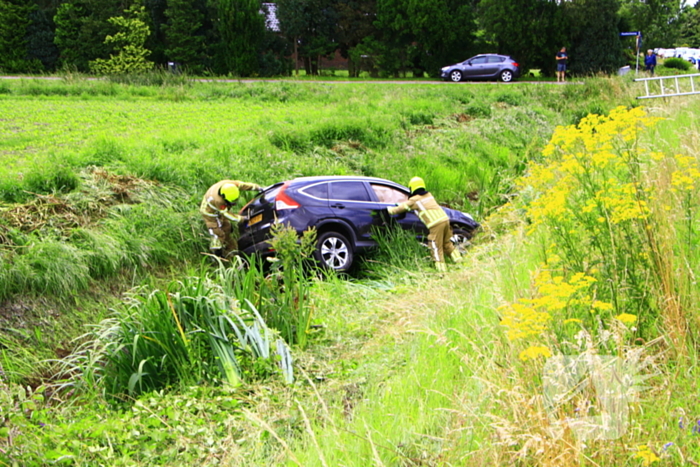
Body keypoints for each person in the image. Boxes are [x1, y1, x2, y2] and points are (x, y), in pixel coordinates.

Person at [375, 177, 462, 272]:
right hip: (445, 220)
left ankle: (442, 272)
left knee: (436, 247)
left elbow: (401, 208)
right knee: (447, 243)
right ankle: (460, 262)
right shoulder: (429, 195)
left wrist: (389, 210)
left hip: (435, 224)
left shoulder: (414, 200)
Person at [200, 179, 262, 258]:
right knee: (218, 233)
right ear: (223, 197)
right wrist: (242, 219)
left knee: (227, 228)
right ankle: (216, 254)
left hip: (220, 210)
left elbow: (244, 185)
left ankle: (231, 250)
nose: (234, 204)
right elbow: (227, 215)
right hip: (210, 213)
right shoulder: (218, 201)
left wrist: (258, 188)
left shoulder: (231, 185)